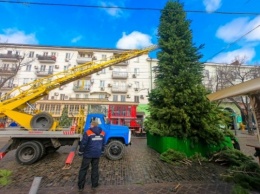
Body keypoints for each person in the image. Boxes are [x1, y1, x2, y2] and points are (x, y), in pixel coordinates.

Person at [78, 121, 105, 192]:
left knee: (83, 169)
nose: (90, 126)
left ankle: (81, 186)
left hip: (88, 154)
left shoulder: (88, 132)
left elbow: (83, 143)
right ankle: (94, 184)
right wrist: (102, 151)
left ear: (93, 125)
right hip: (97, 154)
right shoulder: (102, 133)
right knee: (95, 169)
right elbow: (103, 143)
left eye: (90, 124)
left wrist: (80, 152)